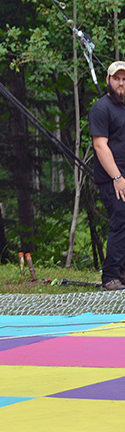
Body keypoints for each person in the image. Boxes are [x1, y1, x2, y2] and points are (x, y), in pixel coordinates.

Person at [89, 61, 125, 291]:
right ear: (108, 81)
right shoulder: (101, 108)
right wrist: (117, 177)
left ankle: (121, 273)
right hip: (112, 177)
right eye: (117, 79)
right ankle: (110, 276)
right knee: (121, 218)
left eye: (124, 80)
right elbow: (100, 146)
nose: (121, 83)